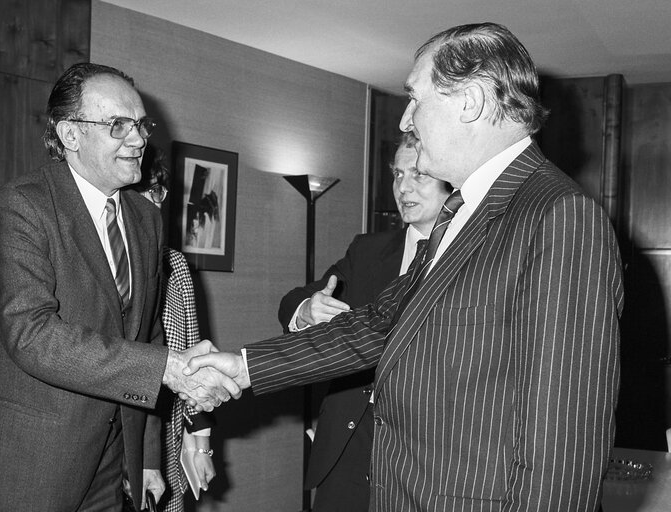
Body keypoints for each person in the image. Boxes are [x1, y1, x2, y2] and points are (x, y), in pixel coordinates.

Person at [187, 22, 624, 512]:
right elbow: (375, 324)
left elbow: (564, 442)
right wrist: (244, 368)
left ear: (471, 101)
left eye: (415, 99)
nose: (405, 121)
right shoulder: (464, 212)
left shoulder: (558, 214)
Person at [0, 62, 239, 512]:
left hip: (112, 466)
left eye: (141, 124)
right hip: (30, 467)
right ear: (70, 134)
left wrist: (146, 458)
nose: (139, 139)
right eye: (118, 126)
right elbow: (32, 335)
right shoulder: (21, 206)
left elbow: (145, 335)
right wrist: (170, 368)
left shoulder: (145, 218)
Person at [277, 132, 450, 511]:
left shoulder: (476, 256)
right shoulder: (368, 250)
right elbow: (293, 300)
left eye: (418, 175)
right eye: (397, 174)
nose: (403, 187)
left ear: (450, 180)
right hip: (350, 449)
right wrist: (307, 308)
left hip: (429, 455)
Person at [140, 150, 217, 512]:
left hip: (167, 439)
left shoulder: (175, 265)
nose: (150, 202)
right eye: (140, 190)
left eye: (157, 191)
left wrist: (199, 442)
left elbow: (194, 359)